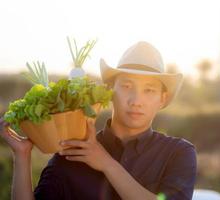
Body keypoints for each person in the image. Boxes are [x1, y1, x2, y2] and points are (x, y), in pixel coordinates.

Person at [0, 41, 197, 200]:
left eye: (149, 90)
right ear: (110, 91)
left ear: (162, 99)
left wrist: (106, 164)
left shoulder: (178, 153)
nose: (136, 101)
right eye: (127, 86)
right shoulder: (73, 152)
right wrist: (22, 156)